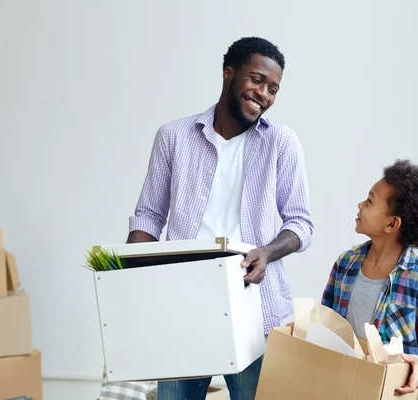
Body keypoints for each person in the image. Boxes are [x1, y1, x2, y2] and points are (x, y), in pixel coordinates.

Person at [127, 36, 314, 399]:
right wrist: (134, 279)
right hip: (183, 298)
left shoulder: (282, 142)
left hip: (253, 300)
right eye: (256, 80)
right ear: (229, 74)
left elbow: (301, 223)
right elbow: (149, 215)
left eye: (273, 88)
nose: (264, 94)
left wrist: (268, 251)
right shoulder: (174, 137)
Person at [321, 159, 418, 399]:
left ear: (392, 224)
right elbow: (326, 320)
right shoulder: (346, 263)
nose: (360, 205)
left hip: (394, 392)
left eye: (369, 201)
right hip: (347, 386)